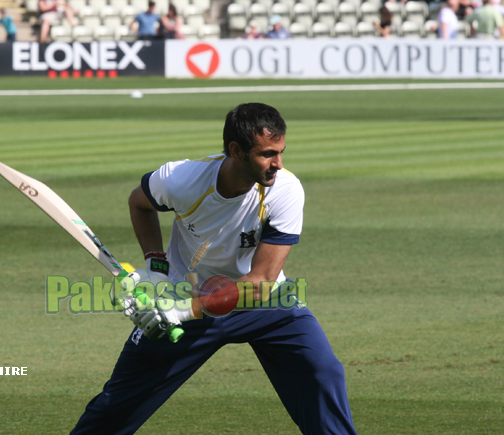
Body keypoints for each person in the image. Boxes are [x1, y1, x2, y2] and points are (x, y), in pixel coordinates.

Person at [70, 103, 360, 435]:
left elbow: (262, 281)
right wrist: (157, 267)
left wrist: (184, 311)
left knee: (322, 373)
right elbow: (139, 202)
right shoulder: (182, 179)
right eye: (267, 154)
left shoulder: (285, 190)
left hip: (263, 302)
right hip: (186, 295)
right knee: (115, 408)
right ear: (236, 151)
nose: (278, 164)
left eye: (281, 152)